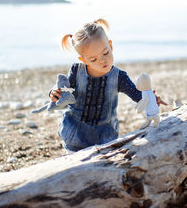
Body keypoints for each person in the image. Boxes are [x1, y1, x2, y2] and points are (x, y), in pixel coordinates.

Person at [49, 19, 167, 153]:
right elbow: (64, 90)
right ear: (84, 60)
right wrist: (54, 93)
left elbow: (137, 95)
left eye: (105, 53)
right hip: (75, 133)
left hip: (104, 135)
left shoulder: (118, 77)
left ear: (110, 46)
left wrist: (151, 98)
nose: (102, 60)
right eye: (93, 59)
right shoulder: (77, 72)